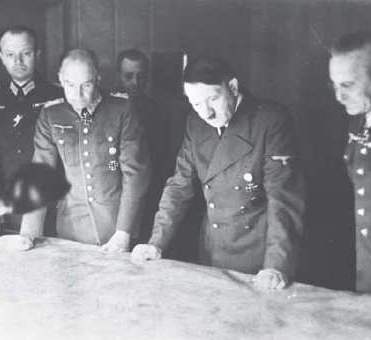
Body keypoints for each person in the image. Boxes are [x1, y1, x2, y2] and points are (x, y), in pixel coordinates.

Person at [132, 55, 305, 289]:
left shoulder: (270, 120)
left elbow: (282, 199)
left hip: (259, 255)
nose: (207, 113)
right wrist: (156, 242)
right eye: (195, 104)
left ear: (232, 87)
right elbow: (179, 185)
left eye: (212, 99)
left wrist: (275, 265)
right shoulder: (195, 123)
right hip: (213, 247)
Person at [20, 49, 151, 252]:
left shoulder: (122, 109)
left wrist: (124, 231)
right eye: (69, 85)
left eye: (86, 85)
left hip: (115, 228)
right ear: (60, 79)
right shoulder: (51, 114)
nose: (77, 94)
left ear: (98, 77)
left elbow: (135, 174)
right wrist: (28, 232)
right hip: (71, 228)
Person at [0, 26, 64, 235]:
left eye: (25, 53)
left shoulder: (58, 97)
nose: (18, 61)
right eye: (10, 55)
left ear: (37, 54)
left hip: (49, 207)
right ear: (1, 57)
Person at [329, 30, 371, 296]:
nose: (338, 97)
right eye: (334, 85)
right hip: (369, 272)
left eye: (348, 85)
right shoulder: (357, 124)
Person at [115, 49, 172, 244]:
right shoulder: (107, 109)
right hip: (114, 202)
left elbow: (164, 164)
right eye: (128, 76)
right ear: (117, 75)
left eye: (141, 77)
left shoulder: (160, 112)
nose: (135, 83)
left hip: (149, 200)